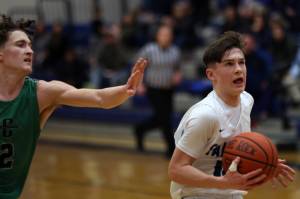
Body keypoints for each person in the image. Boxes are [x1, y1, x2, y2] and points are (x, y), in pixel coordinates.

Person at [0, 15, 147, 199]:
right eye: (20, 45)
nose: (29, 51)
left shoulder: (42, 93)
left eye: (30, 45)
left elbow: (99, 98)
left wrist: (126, 89)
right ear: (1, 54)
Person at [168, 31, 295, 199]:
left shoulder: (247, 100)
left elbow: (238, 152)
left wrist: (267, 163)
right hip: (195, 193)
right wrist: (222, 183)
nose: (238, 69)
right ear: (211, 75)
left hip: (230, 192)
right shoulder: (206, 115)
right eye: (229, 64)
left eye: (241, 63)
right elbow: (176, 170)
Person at [133, 24, 182, 158]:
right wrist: (139, 84)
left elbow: (177, 68)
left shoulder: (175, 51)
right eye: (163, 35)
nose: (166, 37)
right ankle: (171, 150)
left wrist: (177, 75)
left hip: (168, 89)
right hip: (153, 89)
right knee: (164, 119)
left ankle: (140, 129)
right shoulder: (149, 50)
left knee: (163, 118)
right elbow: (138, 67)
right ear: (158, 36)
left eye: (168, 35)